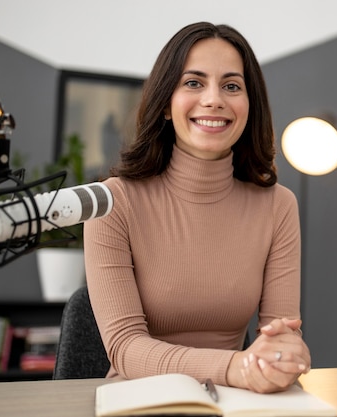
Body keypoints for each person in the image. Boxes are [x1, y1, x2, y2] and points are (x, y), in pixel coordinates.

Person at [84, 21, 310, 394]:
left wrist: (285, 355)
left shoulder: (278, 206)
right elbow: (125, 348)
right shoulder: (113, 203)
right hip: (140, 400)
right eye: (193, 83)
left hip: (238, 400)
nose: (213, 99)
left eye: (232, 86)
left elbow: (282, 334)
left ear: (249, 107)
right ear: (166, 105)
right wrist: (233, 366)